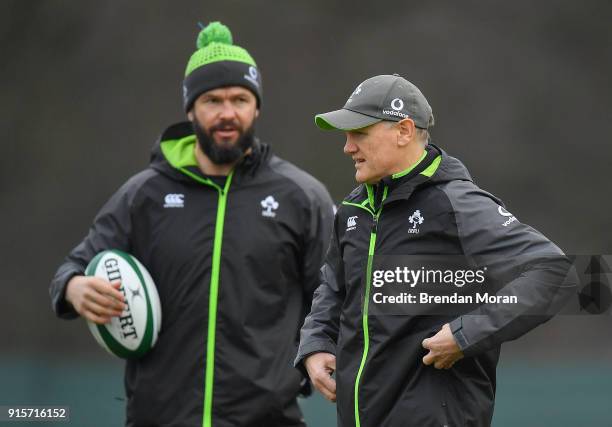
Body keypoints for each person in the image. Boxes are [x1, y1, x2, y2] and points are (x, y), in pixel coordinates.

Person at [49, 21, 334, 427]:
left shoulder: (301, 198)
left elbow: (332, 297)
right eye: (212, 100)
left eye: (239, 99)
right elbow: (71, 268)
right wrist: (74, 288)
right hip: (158, 417)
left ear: (257, 107)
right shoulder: (143, 195)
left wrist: (312, 359)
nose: (227, 113)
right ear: (190, 109)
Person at [295, 74, 578, 426]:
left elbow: (556, 274)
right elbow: (333, 288)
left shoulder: (458, 203)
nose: (347, 147)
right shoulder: (354, 210)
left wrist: (466, 335)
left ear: (403, 131)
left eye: (360, 134)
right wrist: (317, 341)